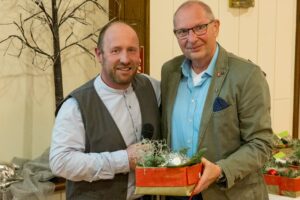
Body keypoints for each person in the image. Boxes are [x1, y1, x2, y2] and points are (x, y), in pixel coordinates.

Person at [161, 1, 273, 200]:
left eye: (199, 28)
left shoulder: (247, 75)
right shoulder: (169, 72)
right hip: (176, 192)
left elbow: (261, 143)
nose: (191, 38)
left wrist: (221, 170)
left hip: (228, 192)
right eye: (182, 32)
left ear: (216, 27)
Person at [49, 21, 160, 200]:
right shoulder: (76, 105)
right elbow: (60, 162)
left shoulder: (152, 87)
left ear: (139, 55)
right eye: (115, 50)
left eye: (131, 50)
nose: (125, 59)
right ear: (99, 54)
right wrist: (124, 160)